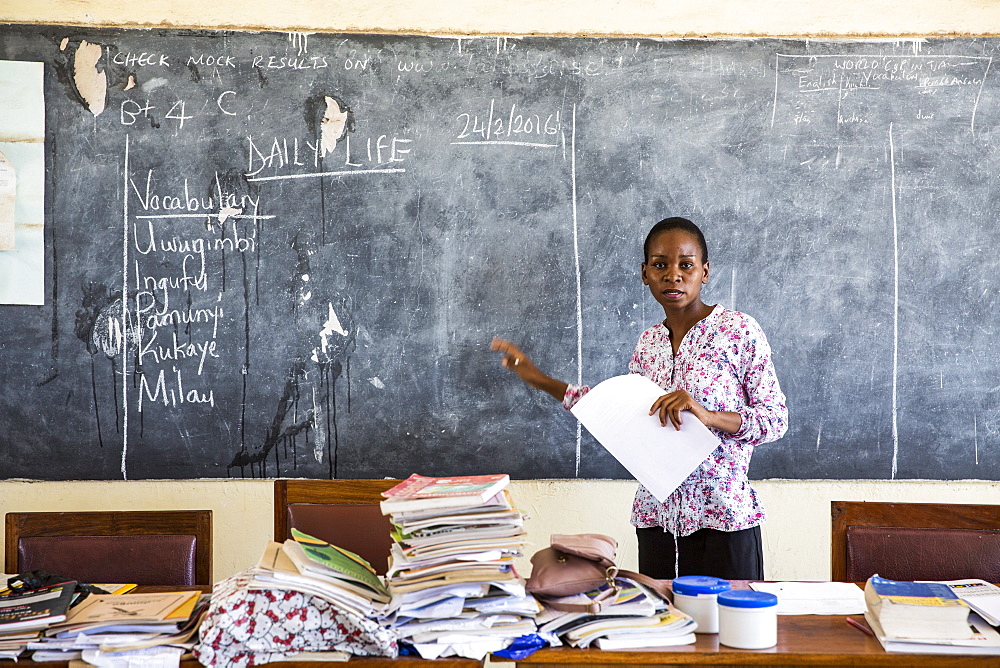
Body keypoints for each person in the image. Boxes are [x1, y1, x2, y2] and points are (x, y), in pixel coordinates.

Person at [491, 217, 787, 580]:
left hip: (724, 520)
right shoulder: (648, 344)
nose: (673, 275)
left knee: (727, 633)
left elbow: (774, 420)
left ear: (705, 272)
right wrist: (540, 380)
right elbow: (613, 407)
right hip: (657, 523)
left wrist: (708, 415)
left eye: (686, 265)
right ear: (645, 273)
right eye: (660, 265)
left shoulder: (739, 331)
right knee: (663, 630)